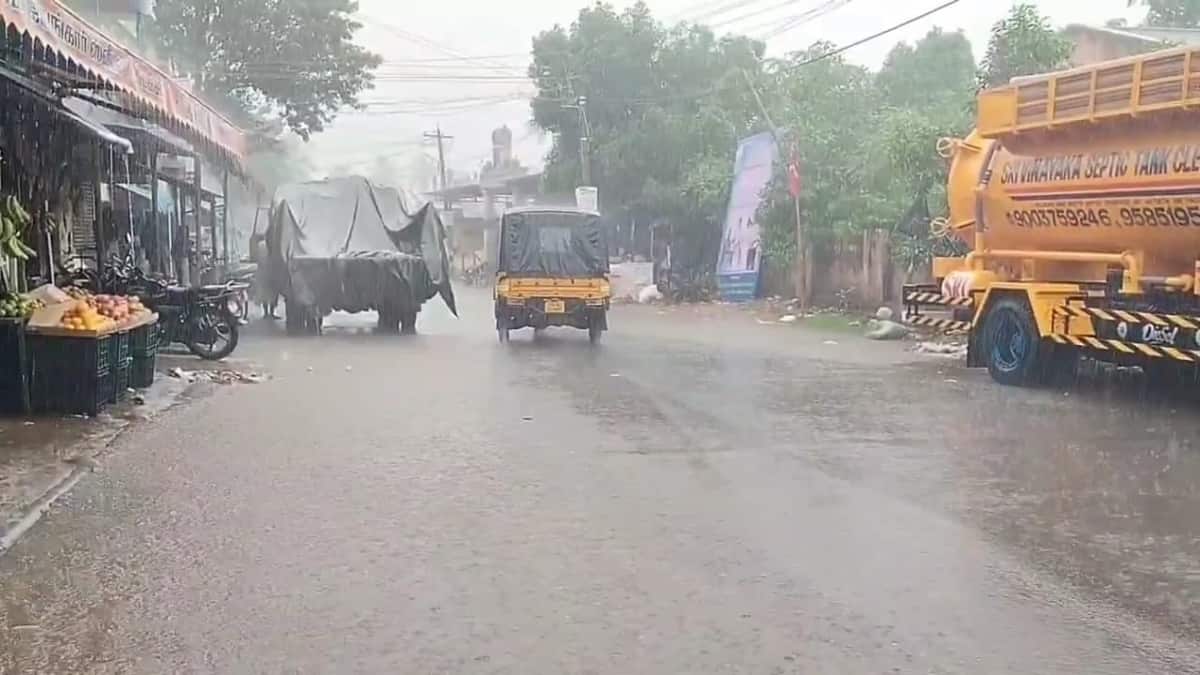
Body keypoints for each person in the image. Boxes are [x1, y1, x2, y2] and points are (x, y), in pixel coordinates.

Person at [250, 232, 279, 319]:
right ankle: (269, 313)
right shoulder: (272, 245)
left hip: (267, 272)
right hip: (269, 272)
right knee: (269, 293)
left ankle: (268, 313)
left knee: (267, 293)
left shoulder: (263, 245)